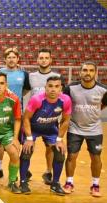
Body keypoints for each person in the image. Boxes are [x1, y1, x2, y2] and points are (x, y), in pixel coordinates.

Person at [63, 62, 107, 197]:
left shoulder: (104, 89)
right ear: (80, 72)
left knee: (96, 157)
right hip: (74, 128)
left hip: (94, 129)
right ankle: (69, 182)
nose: (87, 73)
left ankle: (95, 185)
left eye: (91, 70)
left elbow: (105, 103)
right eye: (84, 70)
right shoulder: (71, 88)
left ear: (95, 73)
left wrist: (93, 114)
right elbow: (66, 104)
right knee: (72, 156)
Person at [20, 76, 71, 195]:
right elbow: (26, 118)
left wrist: (59, 139)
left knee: (59, 152)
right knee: (27, 151)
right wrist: (28, 138)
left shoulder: (65, 100)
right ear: (45, 88)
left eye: (56, 86)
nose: (53, 89)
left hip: (50, 128)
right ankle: (23, 181)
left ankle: (55, 183)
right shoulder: (36, 99)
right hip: (33, 127)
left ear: (61, 89)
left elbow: (65, 121)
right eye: (50, 86)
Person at [0, 47, 30, 180]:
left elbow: (25, 90)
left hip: (16, 113)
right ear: (5, 59)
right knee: (0, 142)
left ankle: (16, 168)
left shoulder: (23, 74)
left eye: (14, 57)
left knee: (15, 142)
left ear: (18, 59)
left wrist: (15, 100)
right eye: (9, 57)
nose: (11, 60)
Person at [28, 48, 64, 185]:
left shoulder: (57, 77)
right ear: (37, 60)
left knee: (50, 147)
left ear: (50, 60)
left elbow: (62, 95)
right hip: (34, 119)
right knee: (29, 145)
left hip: (51, 119)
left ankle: (48, 172)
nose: (43, 60)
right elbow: (26, 90)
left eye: (46, 58)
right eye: (41, 58)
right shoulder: (30, 76)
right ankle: (26, 171)